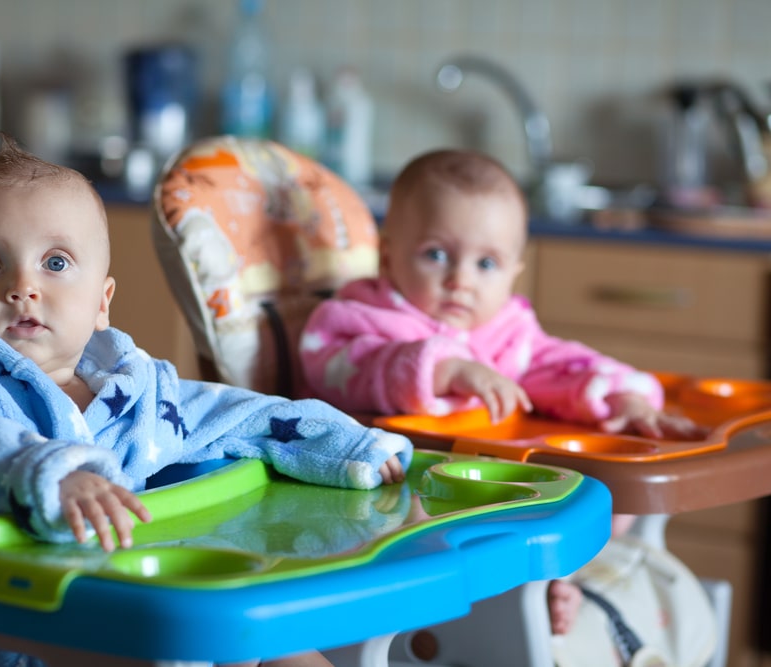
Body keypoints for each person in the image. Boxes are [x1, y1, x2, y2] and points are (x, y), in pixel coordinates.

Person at [0, 135, 412, 667]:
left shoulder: (133, 390)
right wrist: (51, 474)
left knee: (274, 643)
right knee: (179, 641)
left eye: (57, 263)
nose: (23, 286)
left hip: (127, 596)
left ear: (102, 303)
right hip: (12, 620)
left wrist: (343, 446)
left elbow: (235, 416)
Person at [298, 148, 715, 665]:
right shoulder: (361, 316)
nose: (461, 279)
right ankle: (532, 593)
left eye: (486, 263)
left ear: (515, 273)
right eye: (436, 254)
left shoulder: (505, 335)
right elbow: (334, 365)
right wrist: (441, 368)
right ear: (388, 255)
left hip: (490, 494)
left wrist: (623, 396)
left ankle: (553, 587)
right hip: (393, 503)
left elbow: (563, 365)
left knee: (591, 499)